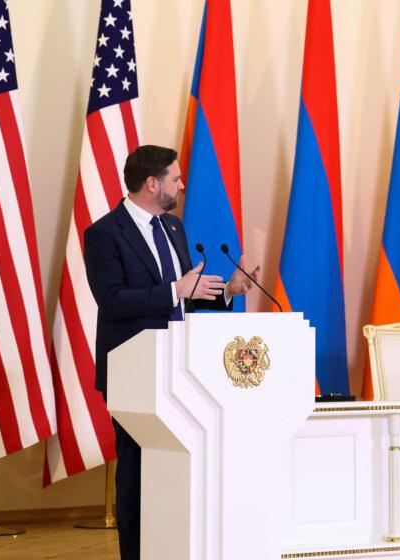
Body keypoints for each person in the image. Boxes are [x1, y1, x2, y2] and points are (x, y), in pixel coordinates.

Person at [84, 144, 259, 560]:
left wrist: (227, 291)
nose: (182, 185)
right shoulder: (104, 234)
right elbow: (113, 301)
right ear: (152, 183)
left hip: (181, 371)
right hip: (134, 373)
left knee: (178, 470)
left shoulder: (174, 228)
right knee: (137, 473)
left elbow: (183, 297)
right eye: (176, 179)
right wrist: (174, 290)